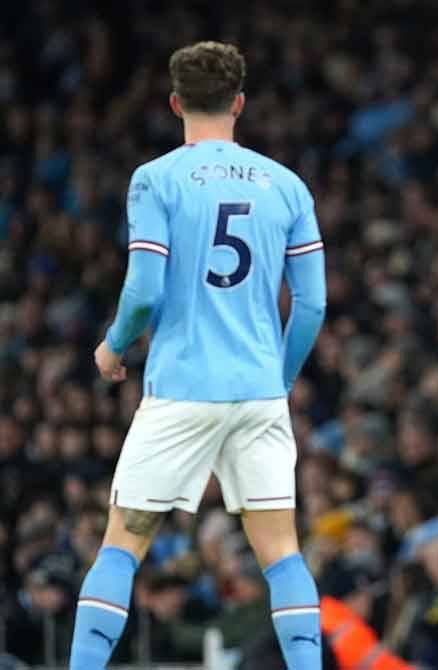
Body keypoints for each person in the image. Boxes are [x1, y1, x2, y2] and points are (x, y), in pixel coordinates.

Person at [68, 42, 327, 670]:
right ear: (239, 104)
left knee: (123, 543)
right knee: (282, 555)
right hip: (258, 395)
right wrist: (280, 378)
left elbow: (145, 287)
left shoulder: (156, 179)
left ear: (176, 103)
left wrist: (112, 344)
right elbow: (313, 305)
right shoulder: (287, 186)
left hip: (182, 389)